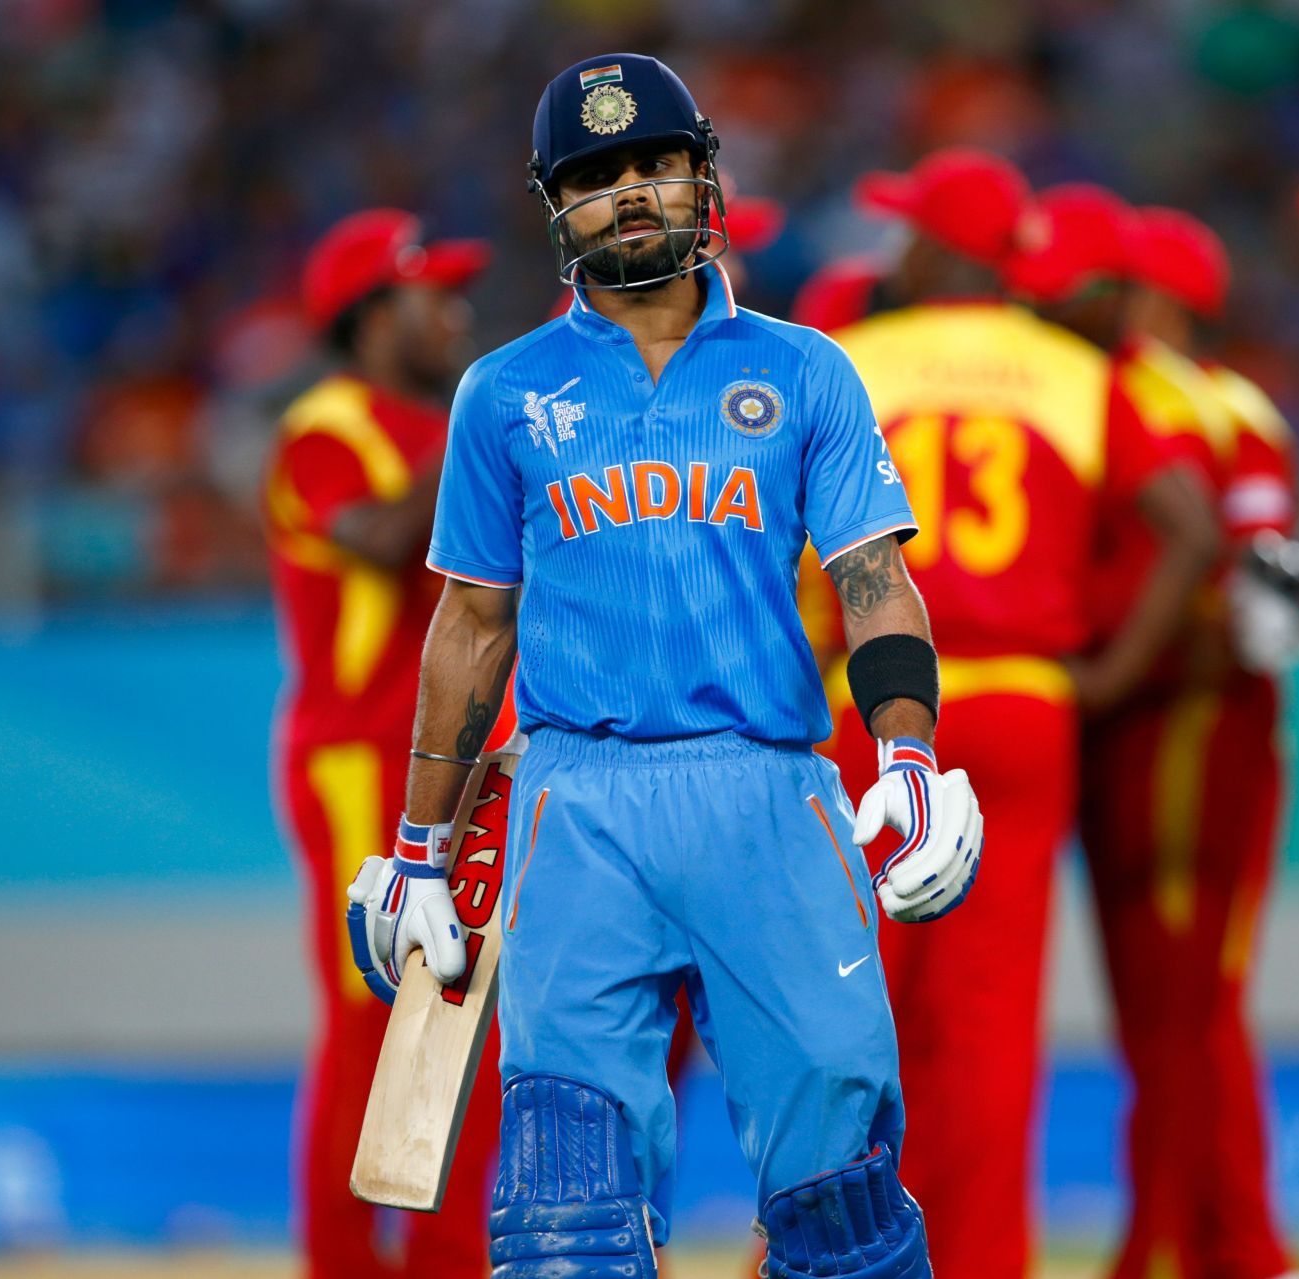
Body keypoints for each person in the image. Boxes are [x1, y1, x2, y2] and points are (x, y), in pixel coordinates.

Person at [342, 54, 983, 1279]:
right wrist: (421, 847)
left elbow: (873, 579)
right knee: (565, 1210)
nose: (629, 195)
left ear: (703, 175)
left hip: (771, 795)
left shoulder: (807, 369)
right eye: (595, 177)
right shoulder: (504, 393)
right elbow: (472, 625)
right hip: (573, 808)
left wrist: (908, 748)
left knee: (839, 1194)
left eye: (651, 165)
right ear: (555, 204)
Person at [817, 163, 1221, 1276]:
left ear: (938, 252)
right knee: (994, 1026)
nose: (892, 254)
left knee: (864, 1011)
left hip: (886, 702)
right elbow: (1191, 525)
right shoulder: (1075, 371)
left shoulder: (861, 356)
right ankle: (986, 1259)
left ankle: (850, 1255)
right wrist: (1103, 675)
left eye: (908, 235)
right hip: (1027, 705)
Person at [263, 208, 498, 1278]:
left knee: (456, 1025)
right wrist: (481, 421)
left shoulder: (426, 423)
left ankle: (448, 1258)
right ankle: (345, 1262)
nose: (453, 311)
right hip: (365, 756)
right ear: (367, 317)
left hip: (454, 761)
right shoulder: (327, 424)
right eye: (428, 292)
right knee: (375, 1027)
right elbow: (373, 536)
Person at [1080, 204, 1299, 1279]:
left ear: (1145, 298)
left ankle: (1170, 1248)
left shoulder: (1135, 392)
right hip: (1230, 717)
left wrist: (1128, 664)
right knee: (1200, 1000)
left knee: (1169, 1005)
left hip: (1173, 720)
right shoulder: (1243, 405)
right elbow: (1277, 592)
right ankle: (1238, 1243)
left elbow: (1227, 584)